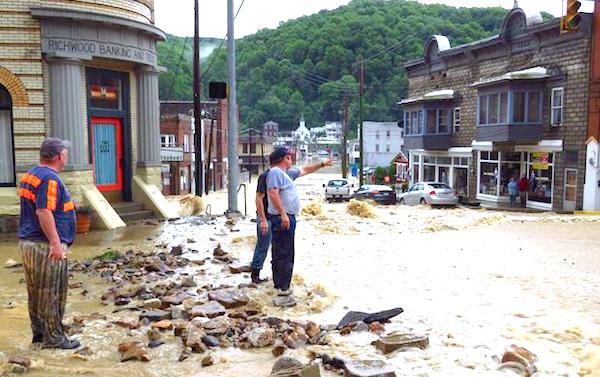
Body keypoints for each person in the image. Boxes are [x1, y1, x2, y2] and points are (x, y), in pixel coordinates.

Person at [18, 138, 80, 349]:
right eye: (65, 153)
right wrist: (55, 243)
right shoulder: (49, 179)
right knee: (52, 292)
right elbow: (43, 211)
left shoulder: (31, 174)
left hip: (29, 243)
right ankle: (54, 338)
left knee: (36, 292)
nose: (66, 157)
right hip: (46, 246)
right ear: (58, 156)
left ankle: (40, 335)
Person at [267, 146, 333, 296]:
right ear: (284, 159)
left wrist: (322, 164)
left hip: (284, 217)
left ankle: (279, 285)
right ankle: (283, 288)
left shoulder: (286, 173)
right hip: (283, 218)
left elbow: (305, 170)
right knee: (286, 253)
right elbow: (273, 193)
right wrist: (283, 214)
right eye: (289, 157)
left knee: (280, 251)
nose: (291, 160)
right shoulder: (276, 172)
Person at [250, 158, 274, 284]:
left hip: (274, 217)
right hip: (266, 218)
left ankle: (273, 275)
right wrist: (263, 219)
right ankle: (255, 275)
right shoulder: (265, 176)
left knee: (274, 247)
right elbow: (258, 198)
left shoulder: (280, 175)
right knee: (263, 246)